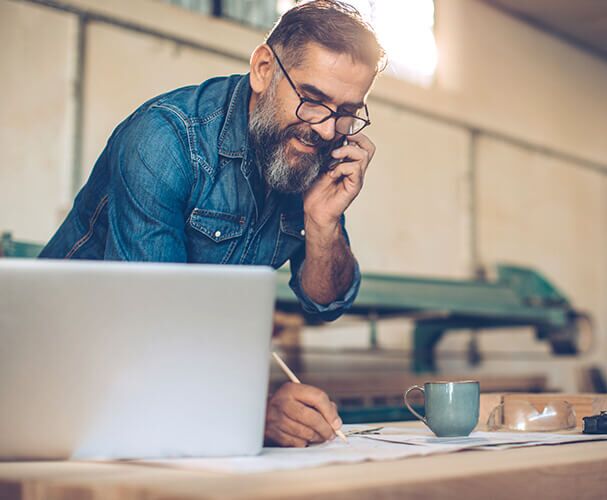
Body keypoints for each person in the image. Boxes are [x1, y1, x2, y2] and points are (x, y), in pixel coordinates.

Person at [39, 0, 385, 448]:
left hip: (166, 393)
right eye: (312, 100)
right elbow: (148, 327)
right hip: (64, 374)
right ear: (264, 68)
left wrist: (324, 224)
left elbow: (326, 303)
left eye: (345, 112)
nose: (324, 128)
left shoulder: (314, 151)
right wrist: (252, 410)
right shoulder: (166, 139)